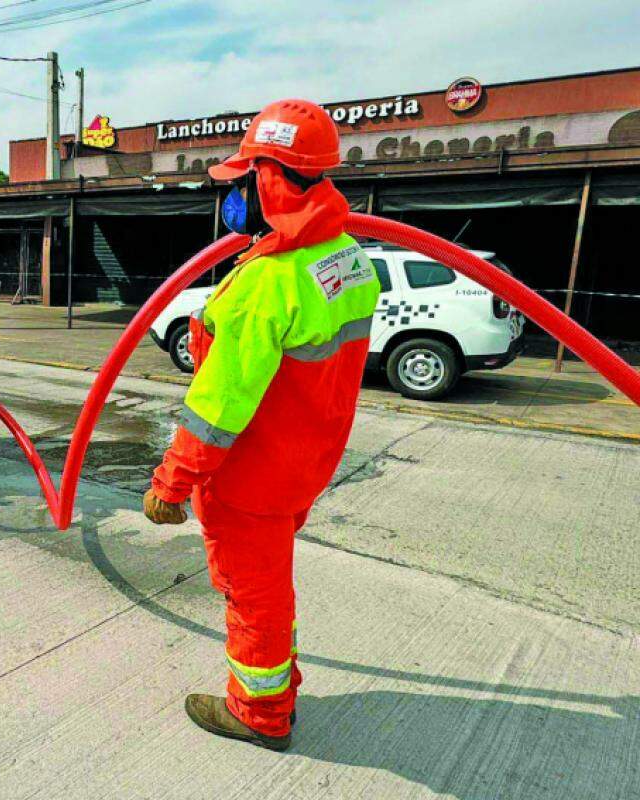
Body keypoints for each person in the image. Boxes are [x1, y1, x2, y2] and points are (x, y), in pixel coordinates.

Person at [144, 99, 380, 751]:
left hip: (252, 477)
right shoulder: (348, 260)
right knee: (269, 582)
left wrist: (170, 485)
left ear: (269, 179)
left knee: (253, 596)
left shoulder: (267, 285)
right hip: (307, 463)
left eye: (242, 179)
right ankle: (279, 683)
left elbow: (218, 408)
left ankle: (261, 713)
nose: (233, 196)